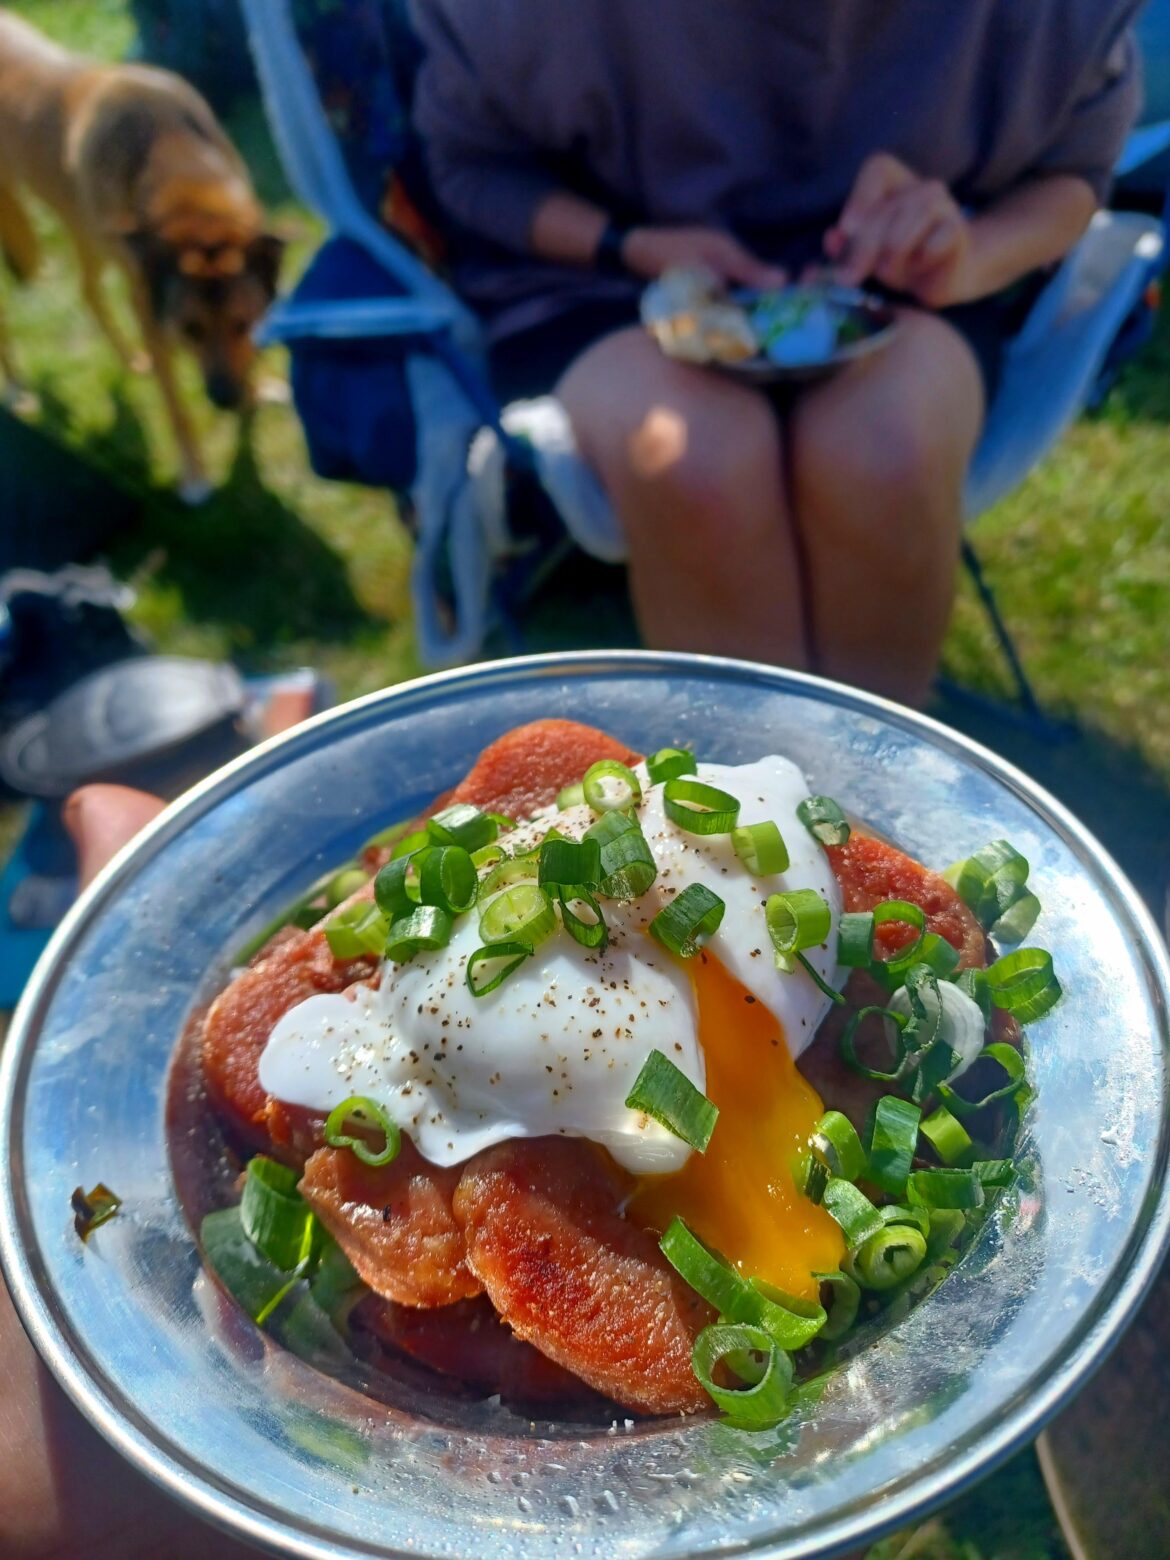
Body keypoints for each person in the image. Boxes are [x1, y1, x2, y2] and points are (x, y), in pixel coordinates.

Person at [408, 0, 1142, 706]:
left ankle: (876, 805)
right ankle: (723, 808)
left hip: (901, 290)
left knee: (884, 453)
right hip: (602, 284)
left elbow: (1074, 172)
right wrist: (626, 246)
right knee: (694, 466)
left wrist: (965, 259)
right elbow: (473, 170)